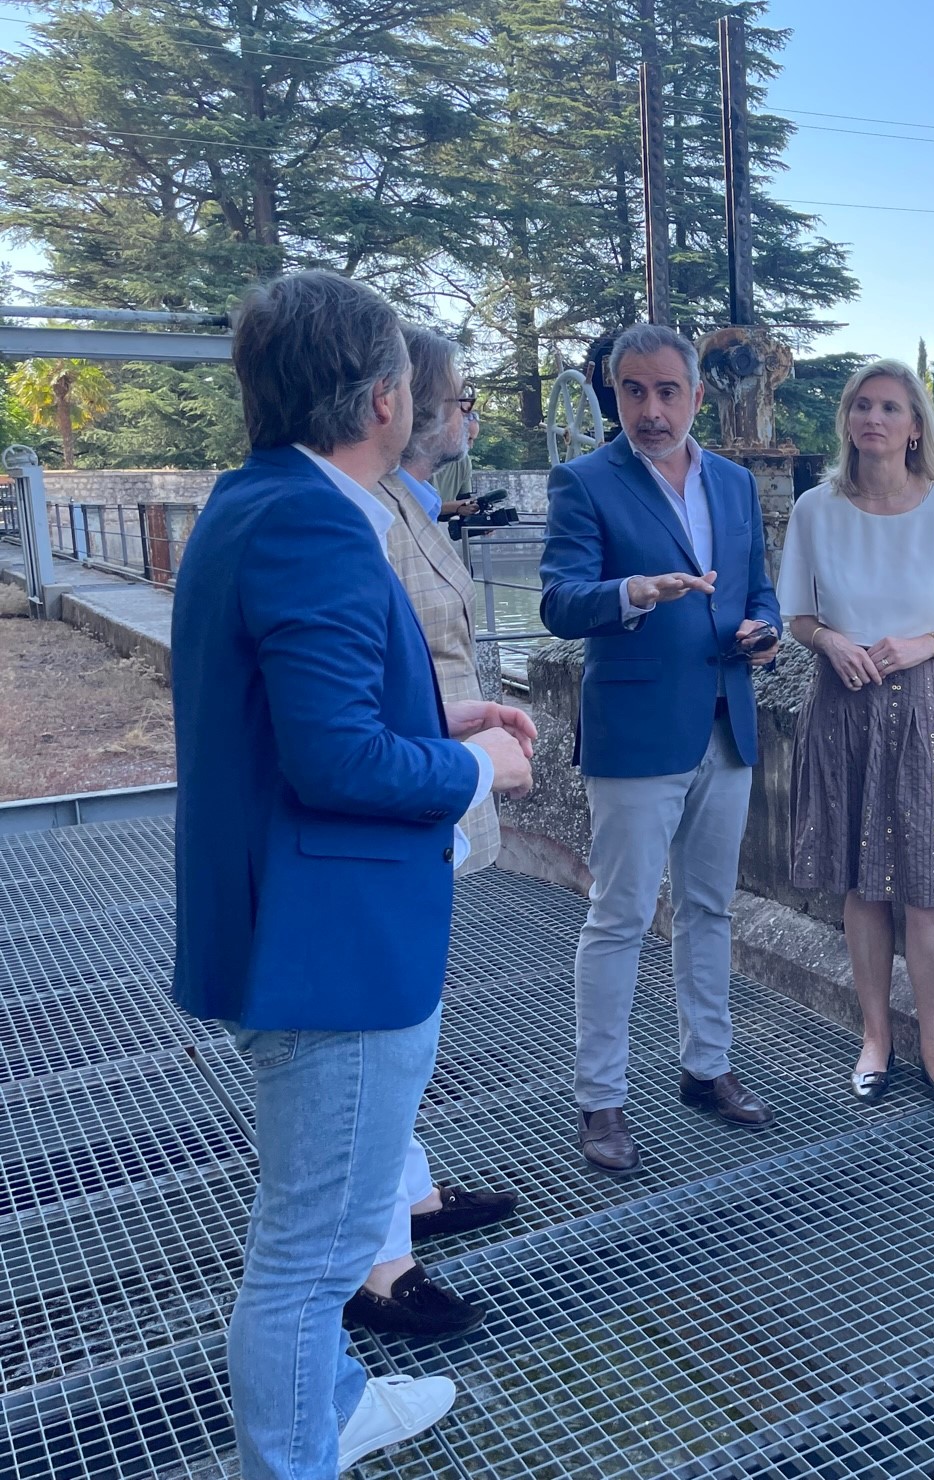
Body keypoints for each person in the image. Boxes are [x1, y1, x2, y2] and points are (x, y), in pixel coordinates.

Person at [171, 269, 534, 1480]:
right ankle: (296, 1455)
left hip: (287, 921)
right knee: (314, 1255)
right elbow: (332, 761)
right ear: (384, 398)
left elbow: (286, 714)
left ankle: (332, 1405)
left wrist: (439, 716)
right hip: (330, 947)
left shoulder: (254, 498)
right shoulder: (318, 521)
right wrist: (476, 767)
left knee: (315, 1216)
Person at [539, 322, 781, 1172]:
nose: (650, 410)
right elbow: (559, 602)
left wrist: (765, 631)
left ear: (697, 396)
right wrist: (634, 592)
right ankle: (600, 1101)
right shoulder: (583, 482)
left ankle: (706, 1068)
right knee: (620, 917)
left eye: (667, 392)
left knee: (709, 909)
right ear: (614, 394)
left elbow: (758, 590)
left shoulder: (736, 484)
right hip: (637, 731)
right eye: (633, 392)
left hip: (727, 719)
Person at [342, 327, 524, 1344]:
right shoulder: (362, 513)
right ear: (399, 404)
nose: (466, 418)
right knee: (392, 1029)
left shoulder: (409, 502)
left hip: (436, 770)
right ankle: (379, 1264)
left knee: (416, 1016)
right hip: (414, 787)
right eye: (457, 400)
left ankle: (406, 1193)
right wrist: (465, 758)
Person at [775, 359, 934, 1118]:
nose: (873, 419)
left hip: (928, 706)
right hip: (844, 705)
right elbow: (797, 615)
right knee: (862, 885)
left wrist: (923, 645)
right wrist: (829, 641)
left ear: (915, 428)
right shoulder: (815, 510)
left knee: (930, 891)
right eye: (862, 406)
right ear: (847, 421)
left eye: (889, 408)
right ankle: (875, 1039)